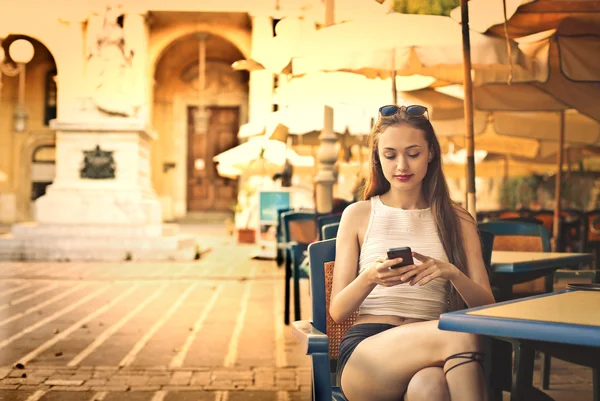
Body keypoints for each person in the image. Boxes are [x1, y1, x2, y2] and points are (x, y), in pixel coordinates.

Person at [332, 105, 495, 401]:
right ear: (378, 158)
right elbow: (338, 310)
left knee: (430, 388)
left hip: (433, 352)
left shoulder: (458, 220)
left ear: (431, 153)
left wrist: (451, 272)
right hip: (368, 355)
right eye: (390, 155)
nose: (402, 166)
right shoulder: (358, 214)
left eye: (413, 153)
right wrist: (369, 277)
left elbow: (488, 306)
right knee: (460, 332)